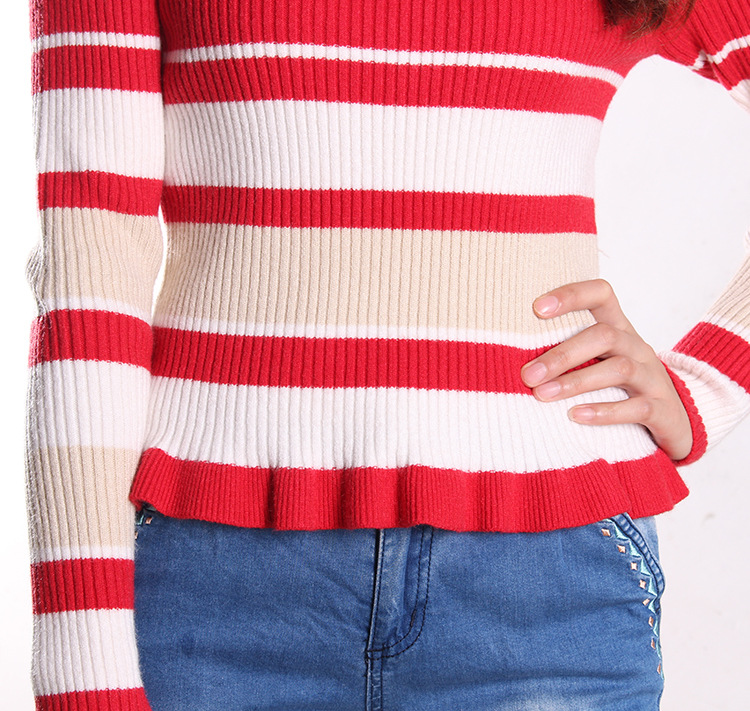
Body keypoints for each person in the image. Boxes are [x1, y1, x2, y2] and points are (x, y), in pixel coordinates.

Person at [22, 0, 750, 709]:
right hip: (211, 578)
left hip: (549, 577)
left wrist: (706, 387)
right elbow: (91, 271)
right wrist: (83, 670)